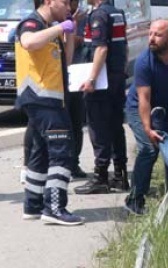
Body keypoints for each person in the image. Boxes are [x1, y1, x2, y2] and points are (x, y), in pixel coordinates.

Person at [15, 0, 85, 225]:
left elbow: (66, 62)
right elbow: (28, 42)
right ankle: (54, 208)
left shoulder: (51, 29)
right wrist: (59, 28)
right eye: (65, 2)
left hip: (49, 99)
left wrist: (69, 35)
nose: (69, 6)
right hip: (43, 99)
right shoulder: (32, 23)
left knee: (40, 154)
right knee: (62, 152)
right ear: (49, 1)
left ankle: (33, 205)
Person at [123, 19, 168, 215]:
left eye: (158, 35)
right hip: (138, 108)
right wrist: (148, 129)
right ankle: (134, 199)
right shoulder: (144, 62)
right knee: (149, 149)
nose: (151, 39)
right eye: (150, 34)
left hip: (164, 108)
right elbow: (144, 99)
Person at [74, 0, 129, 194]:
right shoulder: (117, 13)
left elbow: (101, 49)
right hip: (116, 77)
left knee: (98, 127)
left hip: (102, 81)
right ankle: (120, 175)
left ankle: (100, 177)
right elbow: (124, 46)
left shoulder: (98, 15)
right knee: (115, 126)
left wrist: (91, 79)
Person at [67, 0, 87, 179]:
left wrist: (72, 27)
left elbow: (83, 40)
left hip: (78, 75)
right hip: (60, 77)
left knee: (76, 122)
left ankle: (74, 163)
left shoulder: (83, 17)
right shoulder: (57, 18)